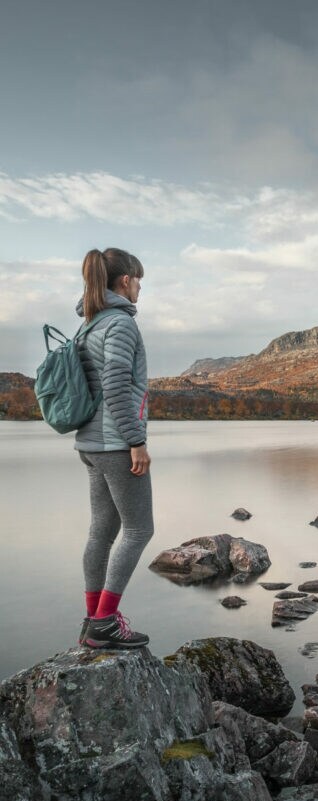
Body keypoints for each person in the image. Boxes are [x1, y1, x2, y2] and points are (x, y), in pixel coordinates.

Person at [75, 248, 153, 649]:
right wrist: (136, 441)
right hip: (116, 442)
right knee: (140, 529)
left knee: (102, 531)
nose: (141, 287)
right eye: (139, 279)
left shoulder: (90, 324)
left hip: (90, 443)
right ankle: (105, 620)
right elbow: (118, 387)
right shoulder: (120, 324)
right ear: (124, 281)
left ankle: (92, 621)